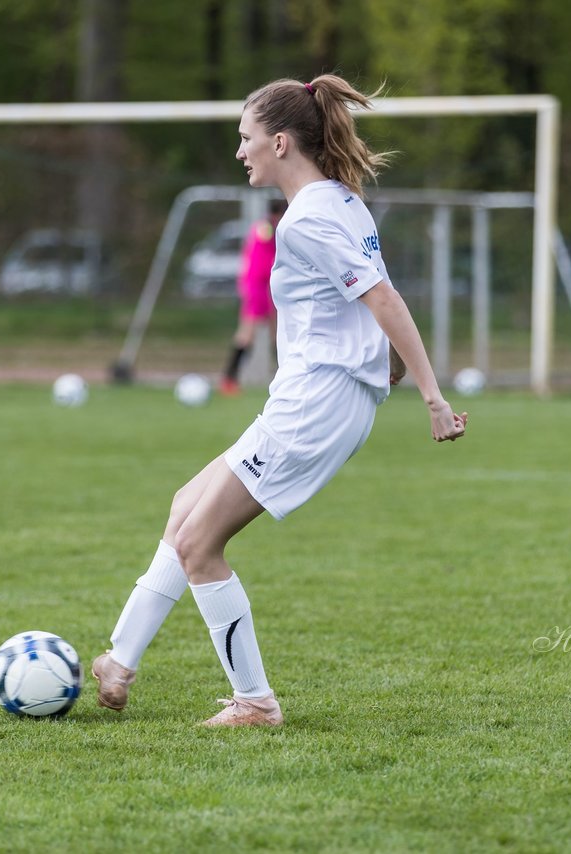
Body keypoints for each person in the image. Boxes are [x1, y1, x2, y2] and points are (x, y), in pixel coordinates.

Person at [89, 74, 468, 728]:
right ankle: (118, 663)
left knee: (201, 545)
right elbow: (374, 301)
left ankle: (255, 702)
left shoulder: (308, 222)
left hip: (315, 406)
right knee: (186, 508)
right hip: (320, 398)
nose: (241, 152)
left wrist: (431, 395)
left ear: (283, 143)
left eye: (247, 139)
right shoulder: (342, 203)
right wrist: (394, 372)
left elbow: (384, 299)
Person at [218, 199, 285, 395]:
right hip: (257, 286)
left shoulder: (271, 228)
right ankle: (229, 378)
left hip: (269, 286)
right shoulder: (266, 228)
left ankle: (286, 376)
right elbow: (264, 239)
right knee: (248, 333)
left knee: (279, 333)